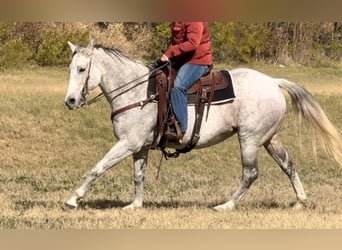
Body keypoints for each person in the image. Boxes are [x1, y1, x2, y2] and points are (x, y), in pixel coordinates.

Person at [160, 22, 213, 142]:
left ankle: (180, 129)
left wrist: (170, 52)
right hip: (182, 59)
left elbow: (193, 43)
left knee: (178, 86)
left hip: (198, 60)